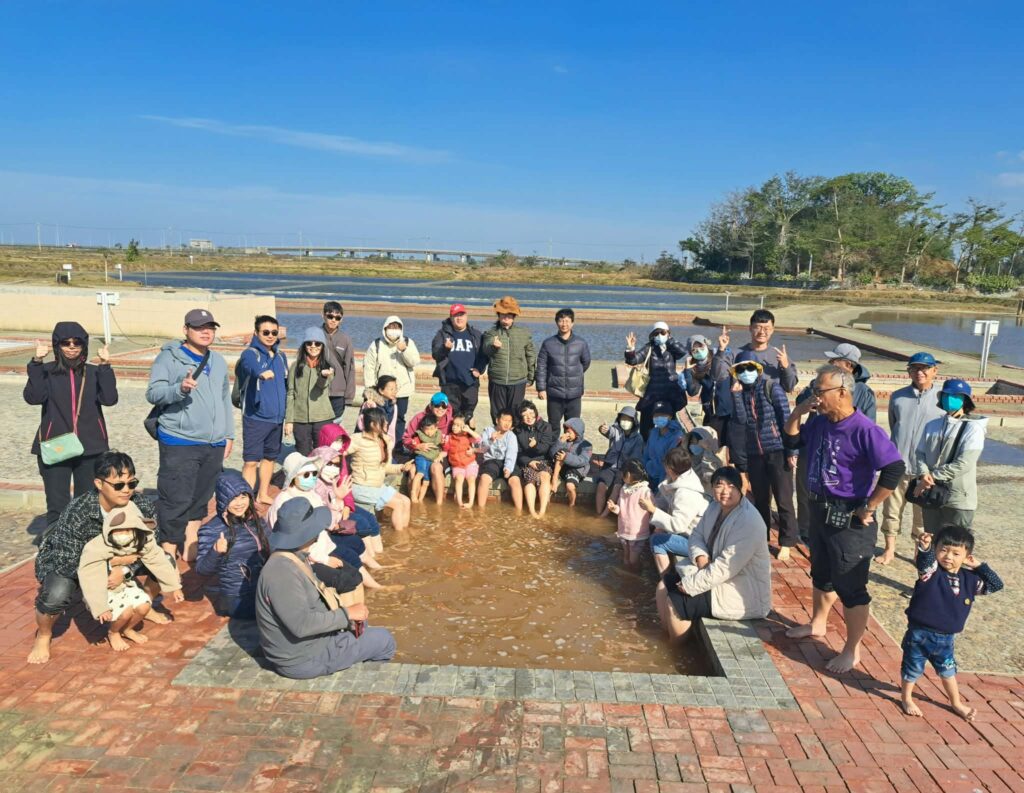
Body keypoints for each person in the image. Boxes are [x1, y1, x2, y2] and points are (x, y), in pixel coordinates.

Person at [783, 365, 906, 673]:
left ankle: (852, 649)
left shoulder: (865, 429)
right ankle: (817, 623)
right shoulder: (820, 422)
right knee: (821, 573)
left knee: (851, 586)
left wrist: (870, 506)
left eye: (819, 391)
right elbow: (792, 441)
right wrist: (798, 410)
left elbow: (894, 468)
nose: (815, 397)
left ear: (841, 392)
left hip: (850, 516)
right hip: (820, 511)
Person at [29, 451, 163, 664]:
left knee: (164, 563)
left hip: (121, 561)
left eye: (132, 483)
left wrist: (124, 570)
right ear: (99, 484)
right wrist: (109, 569)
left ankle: (142, 604)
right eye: (118, 485)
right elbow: (66, 561)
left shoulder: (142, 505)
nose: (127, 490)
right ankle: (43, 635)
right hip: (73, 561)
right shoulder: (78, 511)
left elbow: (151, 543)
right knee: (56, 594)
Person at [255, 498, 396, 679]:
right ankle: (360, 680)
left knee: (362, 626)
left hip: (305, 647)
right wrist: (347, 614)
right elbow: (301, 625)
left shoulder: (293, 557)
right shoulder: (282, 573)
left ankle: (349, 656)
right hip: (303, 658)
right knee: (385, 640)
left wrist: (347, 616)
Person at [146, 308, 233, 561]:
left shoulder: (217, 361)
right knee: (175, 498)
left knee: (201, 497)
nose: (206, 332)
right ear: (186, 330)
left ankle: (191, 541)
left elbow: (224, 399)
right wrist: (180, 389)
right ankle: (168, 550)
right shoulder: (169, 358)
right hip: (180, 440)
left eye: (210, 327)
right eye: (199, 327)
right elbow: (153, 393)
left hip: (214, 442)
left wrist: (228, 434)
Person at [656, 465, 771, 643]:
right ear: (712, 488)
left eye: (731, 486)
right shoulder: (715, 507)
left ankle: (675, 648)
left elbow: (726, 568)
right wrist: (700, 557)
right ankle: (667, 638)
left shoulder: (749, 522)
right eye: (719, 485)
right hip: (713, 574)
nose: (725, 491)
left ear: (741, 489)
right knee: (662, 587)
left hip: (740, 589)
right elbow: (696, 535)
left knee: (676, 603)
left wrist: (690, 585)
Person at [899, 526, 1003, 721]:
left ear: (966, 556)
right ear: (936, 549)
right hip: (919, 635)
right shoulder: (931, 573)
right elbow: (924, 562)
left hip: (946, 639)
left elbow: (996, 585)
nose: (948, 556)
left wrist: (979, 566)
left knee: (948, 671)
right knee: (912, 669)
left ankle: (956, 703)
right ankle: (906, 698)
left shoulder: (970, 580)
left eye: (956, 553)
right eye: (943, 550)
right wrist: (925, 548)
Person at [25, 321, 117, 527]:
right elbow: (34, 397)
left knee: (85, 506)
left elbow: (110, 399)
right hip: (55, 445)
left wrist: (105, 366)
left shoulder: (94, 372)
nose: (72, 347)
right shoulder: (46, 371)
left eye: (77, 342)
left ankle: (82, 544)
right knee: (57, 507)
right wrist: (36, 362)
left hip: (90, 447)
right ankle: (57, 545)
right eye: (66, 343)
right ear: (57, 345)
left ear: (84, 345)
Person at [794, 343, 875, 542]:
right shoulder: (819, 384)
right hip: (813, 446)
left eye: (834, 360)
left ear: (848, 365)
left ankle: (834, 532)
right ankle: (805, 531)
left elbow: (868, 427)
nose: (829, 363)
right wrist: (816, 389)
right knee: (806, 490)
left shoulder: (863, 392)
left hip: (840, 453)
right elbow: (800, 402)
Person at [78, 501, 183, 652]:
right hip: (103, 589)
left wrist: (175, 587)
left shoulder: (142, 539)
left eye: (127, 530)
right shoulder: (97, 546)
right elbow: (90, 576)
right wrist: (100, 607)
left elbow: (159, 561)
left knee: (144, 606)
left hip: (125, 585)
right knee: (125, 612)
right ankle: (113, 632)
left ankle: (127, 629)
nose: (122, 534)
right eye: (118, 530)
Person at [268, 452, 377, 589]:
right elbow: (290, 542)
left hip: (323, 545)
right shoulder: (283, 503)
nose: (312, 477)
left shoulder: (311, 493)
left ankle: (375, 585)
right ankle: (371, 591)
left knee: (354, 568)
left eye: (314, 473)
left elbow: (328, 521)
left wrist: (338, 499)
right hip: (307, 558)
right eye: (306, 475)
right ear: (293, 476)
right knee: (347, 578)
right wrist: (324, 560)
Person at [728, 351, 799, 559]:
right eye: (741, 369)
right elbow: (741, 420)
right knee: (760, 500)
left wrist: (791, 450)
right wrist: (735, 395)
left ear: (758, 369)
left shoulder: (771, 387)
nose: (746, 372)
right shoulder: (740, 392)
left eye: (750, 367)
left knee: (783, 499)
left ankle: (787, 542)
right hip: (754, 453)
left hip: (777, 450)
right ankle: (761, 538)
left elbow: (787, 419)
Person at [877, 352, 945, 565]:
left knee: (921, 516)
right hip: (898, 464)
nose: (919, 372)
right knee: (891, 510)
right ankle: (889, 549)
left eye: (924, 368)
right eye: (914, 368)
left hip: (926, 470)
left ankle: (919, 551)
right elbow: (894, 425)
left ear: (934, 371)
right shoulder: (898, 397)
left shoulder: (941, 399)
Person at [913, 379, 986, 532]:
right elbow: (920, 453)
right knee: (932, 538)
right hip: (932, 493)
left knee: (956, 540)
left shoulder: (973, 428)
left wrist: (932, 476)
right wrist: (923, 473)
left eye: (955, 396)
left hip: (958, 497)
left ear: (965, 400)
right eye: (945, 395)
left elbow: (964, 463)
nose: (948, 399)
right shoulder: (932, 425)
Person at [195, 472, 270, 619]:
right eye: (233, 498)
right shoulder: (211, 529)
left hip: (262, 587)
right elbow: (201, 570)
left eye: (243, 497)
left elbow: (272, 546)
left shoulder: (254, 520)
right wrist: (215, 551)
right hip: (237, 597)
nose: (239, 503)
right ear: (223, 500)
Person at [237, 314, 288, 505]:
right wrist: (260, 373)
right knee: (251, 461)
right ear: (256, 333)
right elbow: (249, 366)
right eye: (265, 332)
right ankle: (247, 499)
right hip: (256, 416)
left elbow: (286, 385)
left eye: (274, 332)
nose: (270, 336)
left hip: (277, 418)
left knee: (270, 458)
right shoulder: (251, 354)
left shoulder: (281, 356)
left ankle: (263, 494)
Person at [316, 423, 385, 556]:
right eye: (336, 440)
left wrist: (347, 506)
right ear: (326, 439)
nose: (339, 444)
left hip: (341, 503)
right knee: (362, 523)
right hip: (330, 509)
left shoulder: (340, 457)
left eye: (341, 441)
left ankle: (380, 555)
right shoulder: (317, 459)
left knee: (371, 518)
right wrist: (339, 504)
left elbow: (345, 486)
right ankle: (371, 558)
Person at [348, 408, 415, 531]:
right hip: (362, 486)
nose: (386, 423)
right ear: (373, 424)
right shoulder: (357, 440)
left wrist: (402, 467)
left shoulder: (385, 440)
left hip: (377, 486)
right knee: (398, 504)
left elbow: (386, 467)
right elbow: (337, 451)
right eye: (383, 421)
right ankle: (400, 538)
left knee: (406, 501)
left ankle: (403, 533)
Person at [646, 447, 710, 574]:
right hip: (690, 533)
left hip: (696, 541)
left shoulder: (685, 493)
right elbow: (668, 502)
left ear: (669, 469)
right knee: (657, 529)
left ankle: (665, 579)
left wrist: (653, 509)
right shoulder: (685, 478)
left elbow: (678, 526)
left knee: (656, 541)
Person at [624, 322, 688, 439]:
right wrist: (630, 348)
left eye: (662, 332)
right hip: (652, 393)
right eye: (657, 333)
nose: (659, 335)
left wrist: (668, 340)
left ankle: (670, 447)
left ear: (668, 334)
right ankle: (646, 446)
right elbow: (633, 360)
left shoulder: (672, 347)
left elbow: (683, 351)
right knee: (647, 426)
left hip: (670, 393)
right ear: (653, 335)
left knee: (669, 424)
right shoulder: (649, 347)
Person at [711, 310, 799, 393]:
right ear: (750, 328)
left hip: (770, 404)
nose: (761, 332)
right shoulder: (735, 354)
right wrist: (721, 350)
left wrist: (786, 367)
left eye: (766, 328)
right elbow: (717, 377)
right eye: (757, 327)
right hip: (740, 402)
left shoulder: (780, 357)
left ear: (772, 330)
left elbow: (789, 387)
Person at [363, 315, 420, 440]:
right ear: (385, 328)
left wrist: (404, 350)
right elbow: (369, 367)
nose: (393, 330)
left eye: (396, 327)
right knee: (380, 417)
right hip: (382, 391)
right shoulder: (377, 344)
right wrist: (370, 389)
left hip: (402, 390)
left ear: (401, 329)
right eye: (391, 327)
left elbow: (414, 362)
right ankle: (379, 442)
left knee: (399, 418)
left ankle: (397, 444)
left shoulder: (408, 342)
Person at [481, 296, 537, 423]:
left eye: (509, 315)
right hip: (497, 380)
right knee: (497, 415)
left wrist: (531, 377)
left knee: (516, 415)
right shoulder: (491, 333)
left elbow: (530, 356)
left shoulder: (523, 333)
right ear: (499, 315)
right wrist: (493, 346)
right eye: (503, 314)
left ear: (514, 316)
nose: (506, 317)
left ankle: (514, 435)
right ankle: (498, 435)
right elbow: (485, 350)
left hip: (518, 381)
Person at [536, 308, 592, 429]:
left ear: (572, 323)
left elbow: (586, 362)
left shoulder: (581, 343)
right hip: (554, 393)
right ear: (556, 322)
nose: (564, 324)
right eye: (561, 321)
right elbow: (541, 366)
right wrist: (541, 388)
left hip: (574, 393)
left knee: (573, 427)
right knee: (553, 426)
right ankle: (553, 443)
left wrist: (575, 373)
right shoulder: (548, 343)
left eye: (567, 321)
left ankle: (571, 443)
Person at [285, 327, 335, 456]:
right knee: (303, 453)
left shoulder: (328, 367)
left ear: (322, 346)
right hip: (300, 418)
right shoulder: (295, 366)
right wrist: (289, 420)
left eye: (317, 343)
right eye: (309, 343)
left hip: (322, 417)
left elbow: (322, 386)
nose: (313, 346)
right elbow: (290, 393)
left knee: (322, 454)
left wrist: (323, 376)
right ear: (304, 345)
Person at [431, 303, 483, 424]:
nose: (459, 318)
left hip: (470, 383)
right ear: (451, 318)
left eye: (461, 315)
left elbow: (483, 355)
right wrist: (445, 348)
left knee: (468, 417)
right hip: (450, 384)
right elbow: (436, 354)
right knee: (450, 417)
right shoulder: (442, 334)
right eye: (455, 316)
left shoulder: (475, 334)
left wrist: (479, 369)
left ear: (466, 316)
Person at [402, 392, 455, 502]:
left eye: (444, 406)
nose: (440, 408)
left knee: (436, 467)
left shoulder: (451, 421)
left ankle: (439, 504)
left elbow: (457, 439)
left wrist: (443, 452)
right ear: (431, 405)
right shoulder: (419, 418)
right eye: (437, 405)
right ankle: (413, 502)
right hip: (420, 453)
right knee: (413, 470)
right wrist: (417, 446)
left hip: (439, 454)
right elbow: (406, 438)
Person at [594, 406, 644, 517]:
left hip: (624, 468)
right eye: (623, 418)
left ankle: (603, 516)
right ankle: (598, 513)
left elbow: (635, 458)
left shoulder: (638, 439)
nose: (625, 421)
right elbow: (607, 431)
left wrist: (625, 470)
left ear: (634, 421)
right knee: (601, 485)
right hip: (609, 465)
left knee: (617, 488)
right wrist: (602, 428)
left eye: (628, 419)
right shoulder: (615, 430)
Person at [511, 400, 556, 517]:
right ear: (521, 417)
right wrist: (529, 462)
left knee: (545, 476)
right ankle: (532, 511)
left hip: (543, 459)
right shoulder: (517, 431)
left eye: (531, 413)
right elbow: (516, 452)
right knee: (529, 478)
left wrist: (535, 445)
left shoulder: (545, 426)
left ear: (536, 412)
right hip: (526, 461)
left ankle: (542, 511)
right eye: (525, 415)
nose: (529, 417)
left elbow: (545, 448)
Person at [606, 459, 652, 568]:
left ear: (628, 474)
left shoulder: (645, 491)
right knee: (626, 559)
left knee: (633, 560)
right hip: (624, 531)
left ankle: (637, 573)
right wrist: (614, 508)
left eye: (622, 474)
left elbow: (653, 509)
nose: (621, 476)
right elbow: (621, 509)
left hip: (637, 534)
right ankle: (629, 573)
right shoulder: (624, 489)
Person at [476, 409, 520, 510]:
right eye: (504, 420)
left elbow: (512, 453)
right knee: (484, 478)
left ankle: (519, 511)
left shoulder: (511, 436)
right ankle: (480, 510)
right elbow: (481, 448)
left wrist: (508, 468)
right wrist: (490, 440)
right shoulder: (488, 431)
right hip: (491, 461)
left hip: (506, 461)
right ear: (497, 420)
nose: (507, 424)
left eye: (509, 421)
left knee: (515, 480)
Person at [320, 301, 356, 421]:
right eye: (330, 316)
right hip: (318, 391)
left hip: (338, 393)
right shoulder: (315, 335)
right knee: (318, 427)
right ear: (323, 315)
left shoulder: (345, 339)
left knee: (334, 428)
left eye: (337, 318)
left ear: (341, 319)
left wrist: (349, 396)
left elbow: (350, 369)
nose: (333, 320)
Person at [550, 417, 592, 507]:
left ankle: (572, 504)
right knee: (560, 453)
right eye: (566, 431)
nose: (566, 434)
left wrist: (566, 457)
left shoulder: (586, 445)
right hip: (561, 467)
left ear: (577, 432)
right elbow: (552, 454)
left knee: (570, 486)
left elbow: (583, 460)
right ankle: (555, 478)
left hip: (576, 469)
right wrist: (560, 443)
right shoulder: (563, 441)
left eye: (569, 432)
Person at [643, 401, 684, 490]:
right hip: (649, 476)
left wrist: (661, 487)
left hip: (664, 479)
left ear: (670, 416)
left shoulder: (677, 436)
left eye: (663, 415)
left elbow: (669, 462)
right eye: (656, 415)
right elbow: (646, 454)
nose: (659, 417)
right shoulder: (653, 432)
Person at [680, 334, 717, 428]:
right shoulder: (694, 367)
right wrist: (687, 371)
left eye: (701, 346)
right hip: (709, 407)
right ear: (691, 353)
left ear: (706, 345)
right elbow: (692, 392)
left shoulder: (717, 357)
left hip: (725, 406)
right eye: (694, 350)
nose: (699, 351)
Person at [445, 415, 480, 508]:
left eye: (458, 425)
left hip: (470, 462)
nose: (454, 427)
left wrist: (469, 430)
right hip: (457, 464)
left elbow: (479, 439)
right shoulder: (449, 437)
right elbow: (445, 449)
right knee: (459, 478)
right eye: (453, 424)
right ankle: (460, 502)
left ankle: (470, 502)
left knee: (471, 479)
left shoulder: (467, 436)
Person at [409, 413, 443, 504]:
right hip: (422, 458)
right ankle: (413, 493)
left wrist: (440, 455)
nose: (429, 432)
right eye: (427, 429)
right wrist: (416, 445)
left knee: (426, 482)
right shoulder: (419, 435)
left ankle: (420, 500)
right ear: (422, 428)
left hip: (430, 460)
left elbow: (443, 447)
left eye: (432, 429)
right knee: (420, 473)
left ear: (436, 428)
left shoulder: (438, 435)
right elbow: (413, 443)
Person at [685, 426, 729, 496]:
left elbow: (709, 476)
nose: (693, 445)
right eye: (692, 442)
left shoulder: (715, 462)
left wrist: (708, 452)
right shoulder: (686, 459)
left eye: (699, 442)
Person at [359, 375, 399, 444]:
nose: (394, 391)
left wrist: (390, 444)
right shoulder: (370, 404)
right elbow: (361, 425)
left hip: (381, 441)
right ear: (381, 390)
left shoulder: (394, 407)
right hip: (366, 440)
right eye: (391, 389)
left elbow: (391, 429)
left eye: (396, 389)